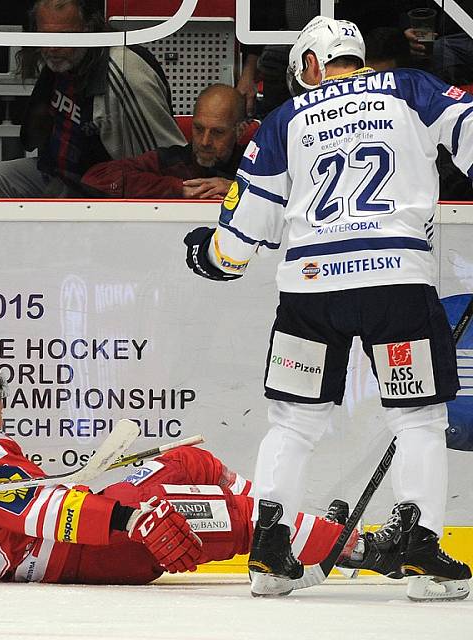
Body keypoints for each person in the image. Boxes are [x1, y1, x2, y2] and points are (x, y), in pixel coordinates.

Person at [183, 16, 472, 600]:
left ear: (311, 65)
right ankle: (420, 550)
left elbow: (237, 241)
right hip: (396, 283)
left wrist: (209, 253)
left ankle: (269, 552)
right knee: (416, 420)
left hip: (310, 291)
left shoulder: (284, 121)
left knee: (293, 423)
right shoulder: (411, 88)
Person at [0, 357, 402, 586]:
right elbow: (45, 509)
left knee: (191, 462)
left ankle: (311, 526)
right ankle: (361, 548)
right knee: (233, 518)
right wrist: (130, 519)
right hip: (87, 551)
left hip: (78, 540)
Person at [0, 0, 186, 198]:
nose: (52, 48)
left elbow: (171, 162)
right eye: (45, 37)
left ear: (88, 29)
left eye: (64, 36)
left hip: (102, 190)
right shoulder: (62, 60)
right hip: (60, 175)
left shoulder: (124, 72)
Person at [81, 84, 250, 199]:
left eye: (218, 132)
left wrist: (238, 189)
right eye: (198, 129)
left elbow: (276, 193)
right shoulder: (173, 161)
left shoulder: (255, 164)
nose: (205, 141)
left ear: (240, 131)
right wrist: (177, 189)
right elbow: (96, 177)